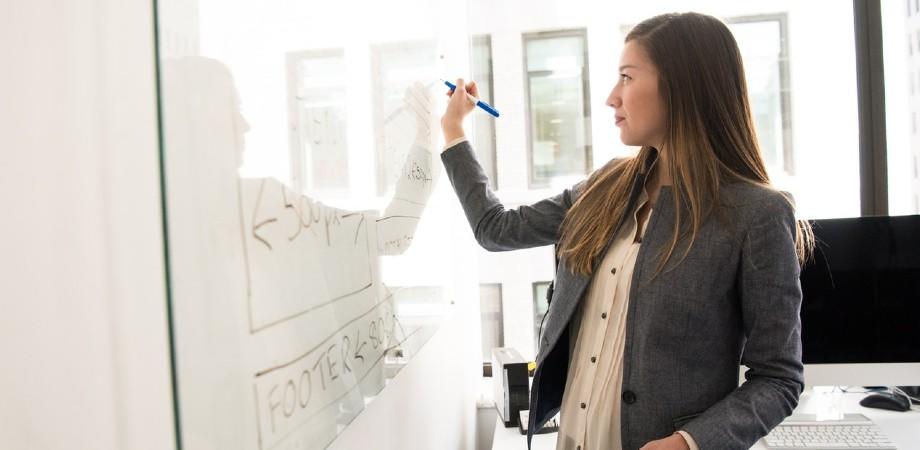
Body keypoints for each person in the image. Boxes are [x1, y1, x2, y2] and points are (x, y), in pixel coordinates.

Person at [439, 12, 814, 450]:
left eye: (626, 77)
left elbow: (778, 378)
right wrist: (454, 130)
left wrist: (689, 443)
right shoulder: (604, 188)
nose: (611, 97)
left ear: (682, 86)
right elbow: (494, 228)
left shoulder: (757, 214)